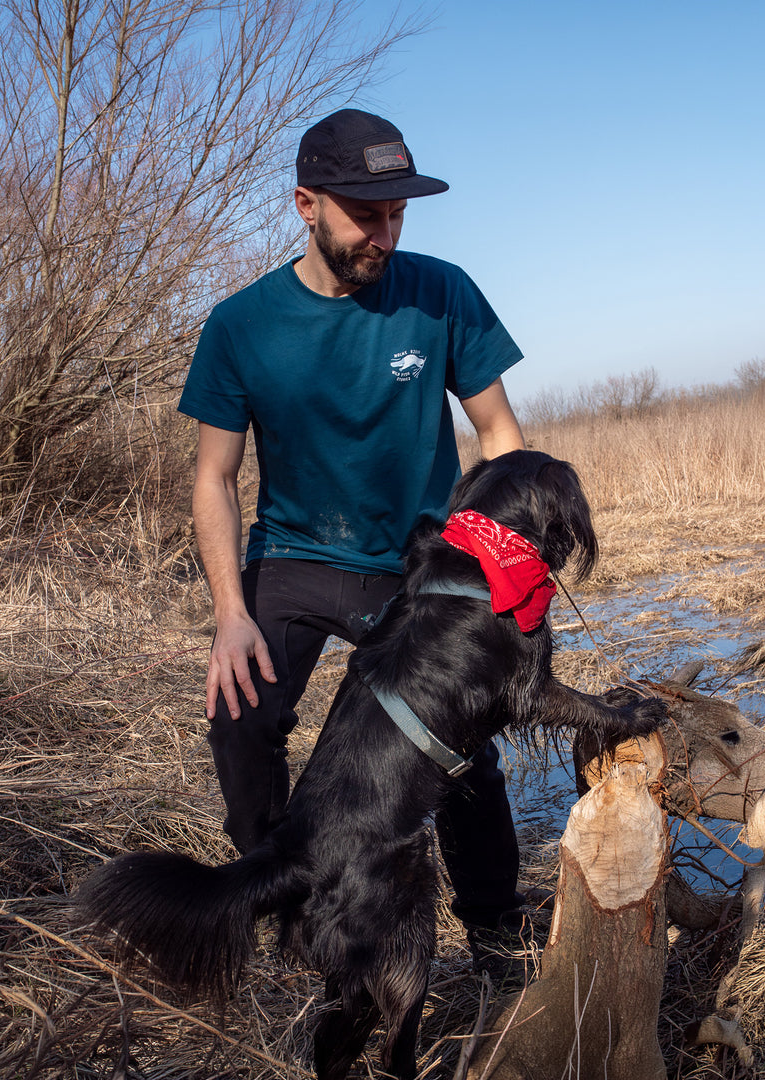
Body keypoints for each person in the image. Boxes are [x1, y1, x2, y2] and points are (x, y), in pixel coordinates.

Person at [178, 108, 532, 981]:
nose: (385, 234)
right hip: (295, 557)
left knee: (462, 744)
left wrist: (499, 557)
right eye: (365, 214)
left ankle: (495, 932)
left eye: (398, 214)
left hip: (417, 566)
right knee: (238, 716)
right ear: (306, 205)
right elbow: (214, 479)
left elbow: (500, 437)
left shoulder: (441, 292)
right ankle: (289, 902)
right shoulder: (241, 324)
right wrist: (230, 614)